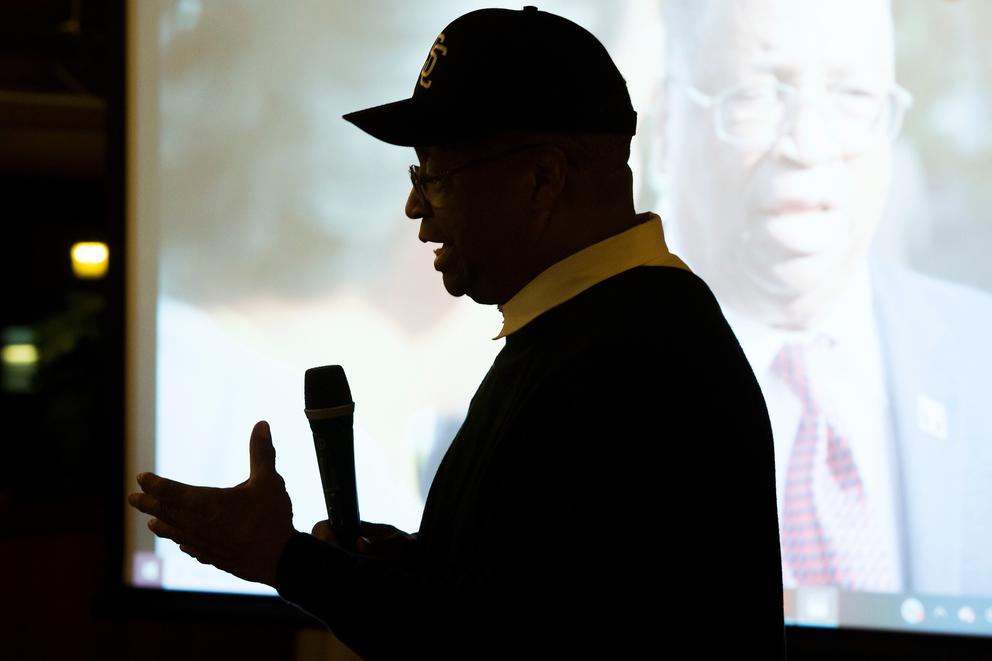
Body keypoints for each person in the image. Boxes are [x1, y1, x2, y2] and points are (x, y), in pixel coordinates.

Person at [128, 7, 784, 657]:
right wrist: (422, 560)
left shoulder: (633, 361)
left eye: (436, 175)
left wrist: (284, 559)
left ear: (542, 179)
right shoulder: (593, 330)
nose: (416, 205)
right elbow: (550, 591)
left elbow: (489, 644)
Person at [654, 0, 992, 597]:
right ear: (665, 125)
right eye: (758, 93)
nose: (808, 145)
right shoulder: (568, 391)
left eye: (854, 96)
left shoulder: (978, 355)